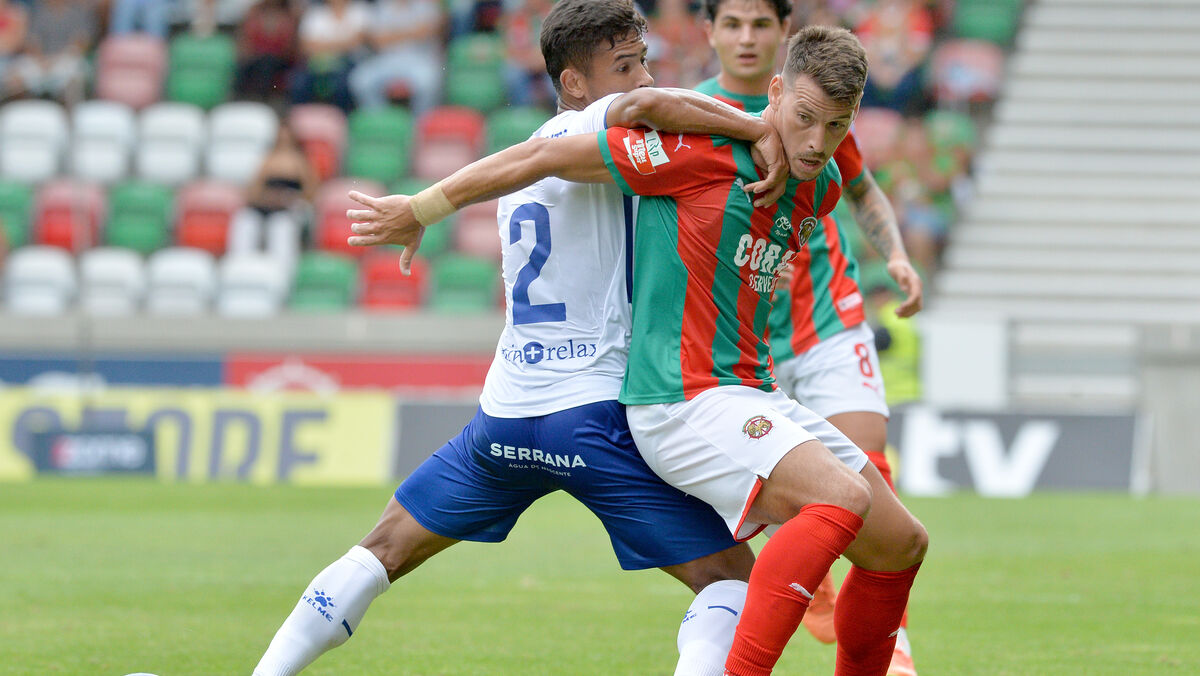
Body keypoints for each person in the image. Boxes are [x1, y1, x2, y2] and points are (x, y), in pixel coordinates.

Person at [347, 24, 929, 676]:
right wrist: (423, 208)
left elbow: (834, 197)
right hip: (680, 399)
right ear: (775, 93)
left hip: (752, 391)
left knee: (901, 543)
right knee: (840, 500)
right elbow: (548, 154)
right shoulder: (695, 151)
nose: (818, 141)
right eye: (804, 118)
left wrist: (892, 254)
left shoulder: (821, 183)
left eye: (837, 125)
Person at [253, 1, 792, 673]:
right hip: (592, 416)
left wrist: (424, 206)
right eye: (626, 66)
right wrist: (757, 124)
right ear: (575, 83)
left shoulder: (529, 163)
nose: (645, 80)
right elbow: (641, 110)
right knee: (731, 580)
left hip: (504, 417)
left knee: (382, 548)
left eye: (644, 62)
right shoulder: (592, 126)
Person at [695, 0, 926, 673]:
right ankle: (810, 564)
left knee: (872, 472)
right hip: (740, 343)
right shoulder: (693, 114)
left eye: (760, 24)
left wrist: (896, 255)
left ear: (782, 33)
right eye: (732, 24)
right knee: (801, 490)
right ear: (709, 32)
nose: (746, 38)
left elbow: (862, 188)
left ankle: (893, 648)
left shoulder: (821, 109)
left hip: (826, 319)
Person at [227, 123, 318, 275]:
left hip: (291, 207)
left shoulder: (302, 162)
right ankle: (240, 266)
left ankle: (283, 270)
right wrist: (268, 198)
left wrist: (288, 197)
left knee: (280, 226)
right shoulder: (267, 160)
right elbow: (254, 191)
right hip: (268, 205)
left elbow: (310, 193)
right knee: (246, 219)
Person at [348, 0, 444, 115]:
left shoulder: (425, 5)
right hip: (386, 60)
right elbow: (378, 41)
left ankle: (420, 122)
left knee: (428, 82)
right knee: (360, 81)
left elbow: (430, 31)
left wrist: (393, 34)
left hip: (418, 59)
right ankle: (381, 119)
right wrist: (413, 31)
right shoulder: (381, 6)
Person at [10, 0, 95, 106]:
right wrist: (42, 60)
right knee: (17, 73)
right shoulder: (37, 12)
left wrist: (57, 59)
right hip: (40, 60)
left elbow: (81, 43)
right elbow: (31, 42)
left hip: (66, 59)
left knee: (75, 73)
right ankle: (24, 109)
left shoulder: (79, 13)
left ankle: (68, 111)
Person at [290, 0, 369, 114]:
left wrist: (322, 45)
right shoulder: (315, 13)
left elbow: (357, 41)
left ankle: (343, 119)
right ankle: (300, 120)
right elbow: (305, 46)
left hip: (351, 62)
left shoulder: (359, 10)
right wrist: (342, 44)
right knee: (299, 82)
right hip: (318, 62)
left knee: (344, 85)